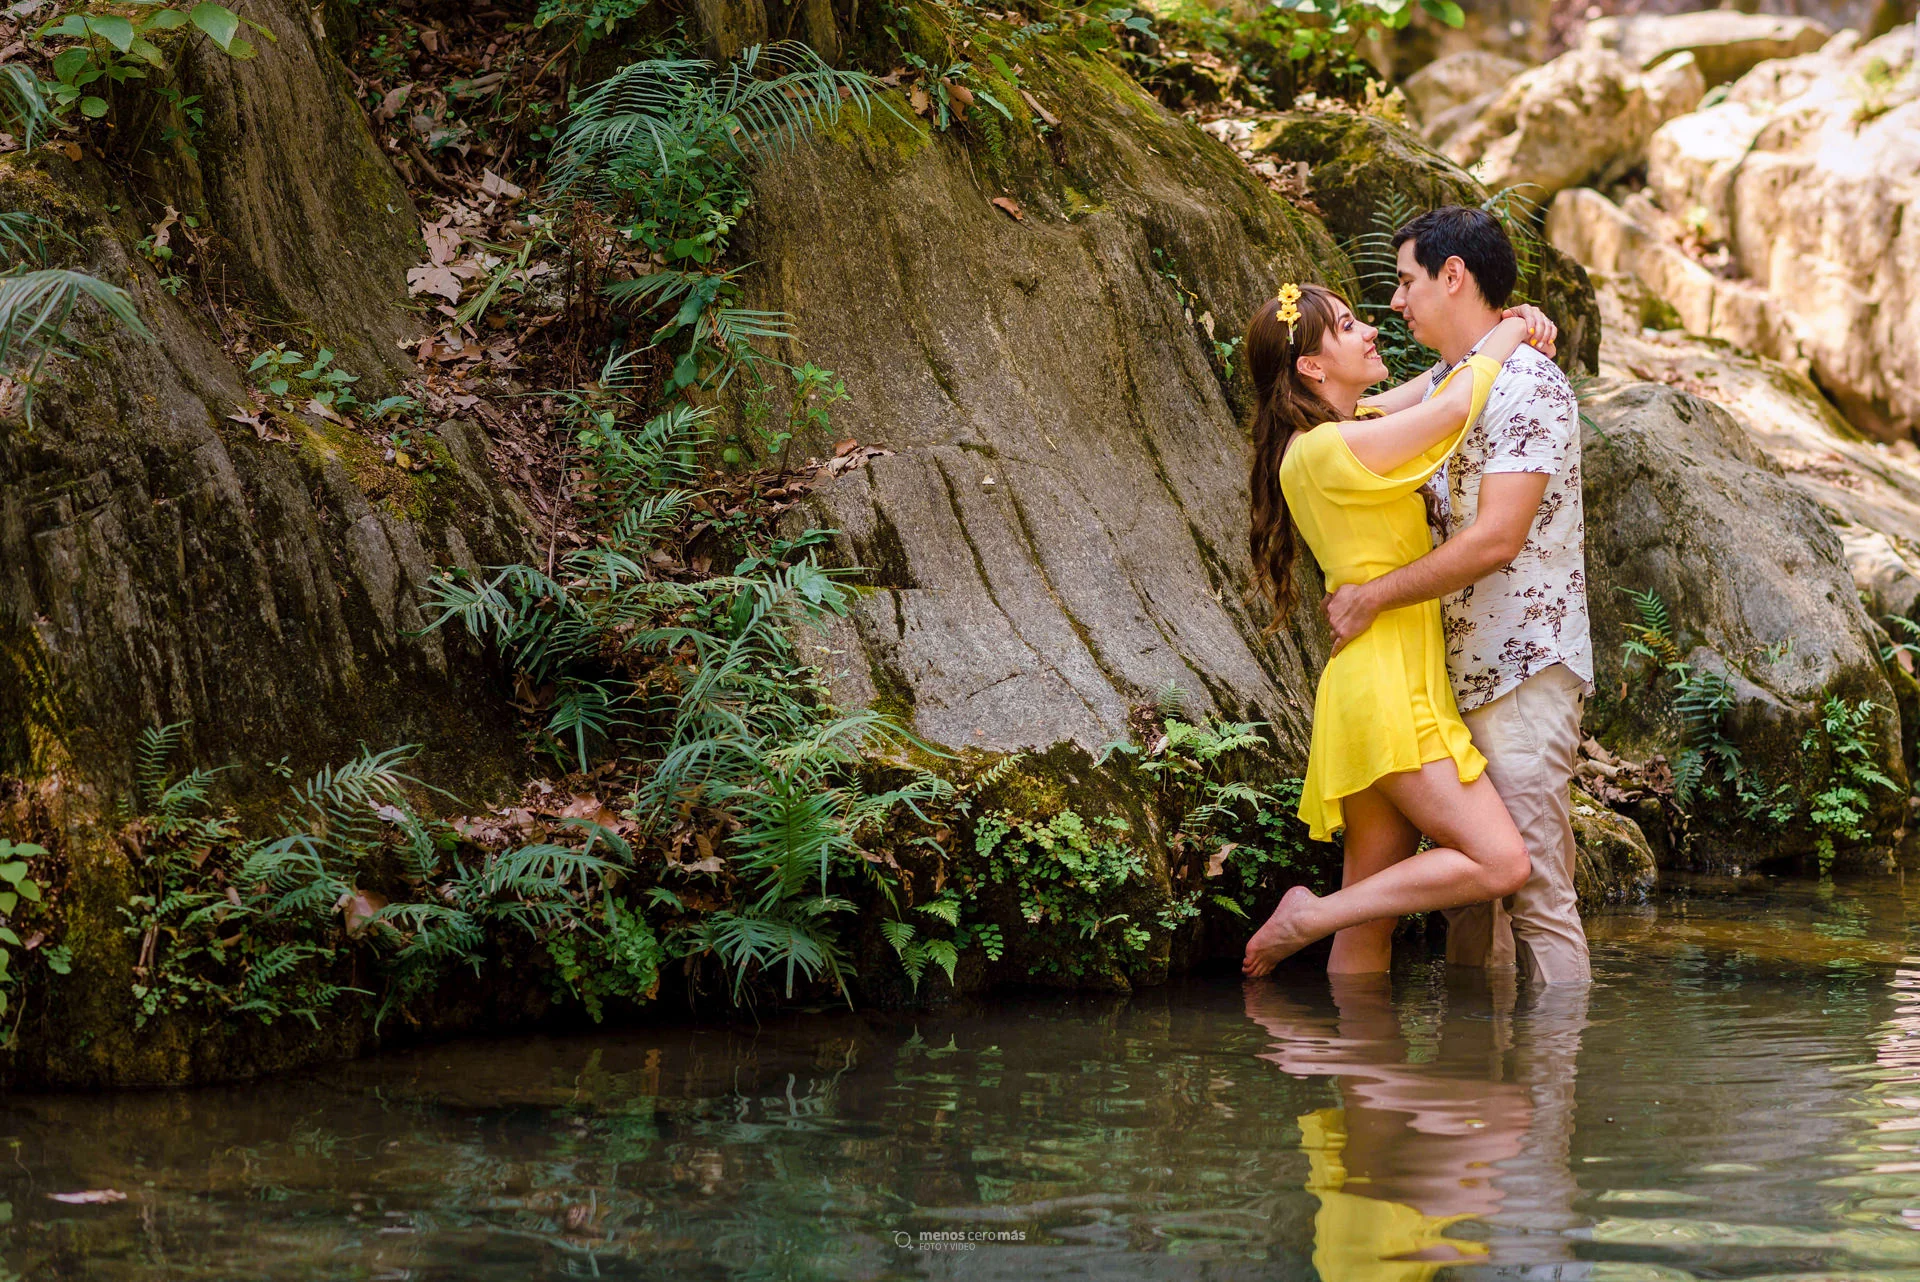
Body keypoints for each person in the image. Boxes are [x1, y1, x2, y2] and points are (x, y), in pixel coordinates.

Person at [1239, 282, 1546, 976]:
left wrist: (1498, 326)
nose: (1370, 330)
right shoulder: (1327, 450)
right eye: (1348, 326)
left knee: (1369, 930)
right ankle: (1308, 916)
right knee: (1501, 861)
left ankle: (1357, 1076)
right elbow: (1455, 405)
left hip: (1377, 683)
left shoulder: (1339, 436)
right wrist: (1513, 328)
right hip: (1387, 692)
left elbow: (1437, 380)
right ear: (1312, 367)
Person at [1324, 207, 1595, 985]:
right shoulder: (1453, 380)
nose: (1397, 304)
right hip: (1451, 679)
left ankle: (1550, 1096)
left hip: (1522, 677)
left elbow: (1496, 538)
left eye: (1406, 281)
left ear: (1453, 275)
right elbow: (1347, 421)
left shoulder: (1530, 387)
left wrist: (1374, 595)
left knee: (1538, 893)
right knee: (1471, 898)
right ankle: (1473, 1086)